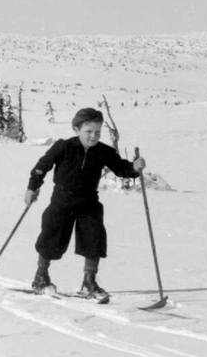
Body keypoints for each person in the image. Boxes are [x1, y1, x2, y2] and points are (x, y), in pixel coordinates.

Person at [24, 108, 146, 298]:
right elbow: (41, 167)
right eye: (88, 131)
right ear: (76, 129)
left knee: (94, 238)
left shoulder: (103, 151)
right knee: (52, 238)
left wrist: (134, 167)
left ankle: (89, 283)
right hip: (62, 200)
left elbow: (122, 168)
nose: (93, 136)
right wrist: (32, 188)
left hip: (88, 200)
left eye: (97, 132)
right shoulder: (63, 147)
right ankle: (41, 277)